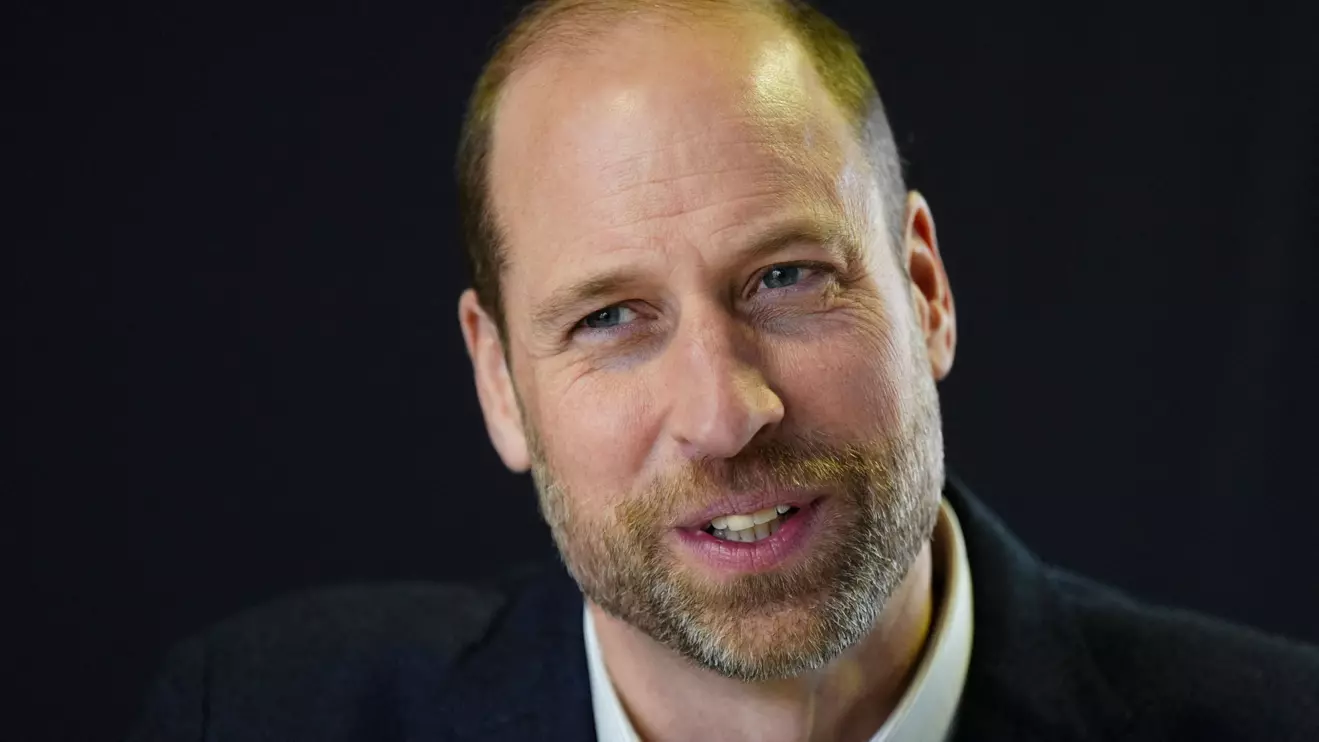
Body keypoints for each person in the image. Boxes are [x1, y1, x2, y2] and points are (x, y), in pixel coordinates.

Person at [128, 1, 1319, 740]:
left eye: (785, 278)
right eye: (608, 317)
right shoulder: (253, 713)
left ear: (923, 289)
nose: (723, 412)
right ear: (499, 382)